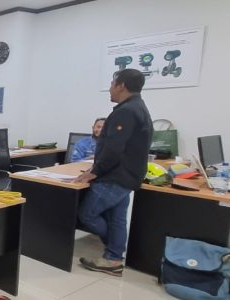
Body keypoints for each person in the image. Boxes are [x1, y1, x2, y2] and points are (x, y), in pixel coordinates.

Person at [75, 69, 152, 276]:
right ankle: (114, 258)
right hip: (127, 176)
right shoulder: (138, 107)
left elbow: (114, 148)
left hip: (115, 177)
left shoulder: (125, 111)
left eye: (112, 83)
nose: (110, 88)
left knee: (86, 215)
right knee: (117, 218)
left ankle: (117, 250)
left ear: (121, 86)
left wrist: (94, 171)